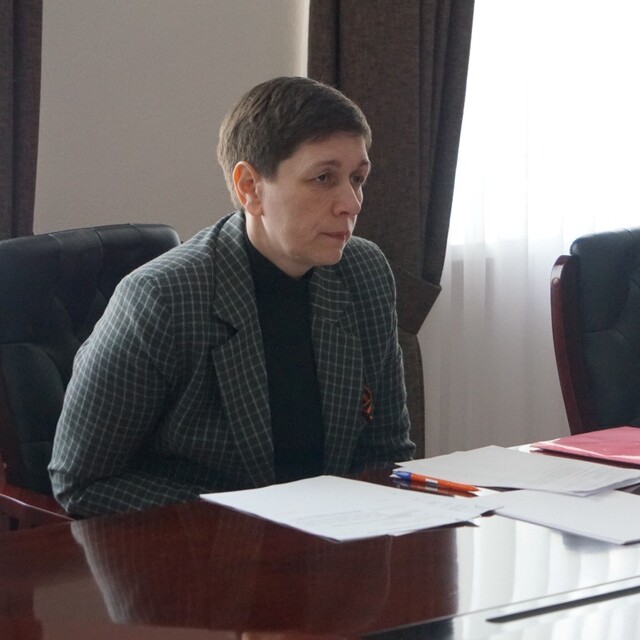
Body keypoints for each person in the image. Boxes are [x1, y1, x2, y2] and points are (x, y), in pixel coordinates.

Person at [49, 76, 415, 517]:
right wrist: (251, 525)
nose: (351, 203)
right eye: (323, 178)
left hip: (336, 541)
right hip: (204, 549)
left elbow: (386, 451)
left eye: (357, 179)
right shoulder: (163, 297)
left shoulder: (364, 272)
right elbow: (81, 483)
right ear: (250, 188)